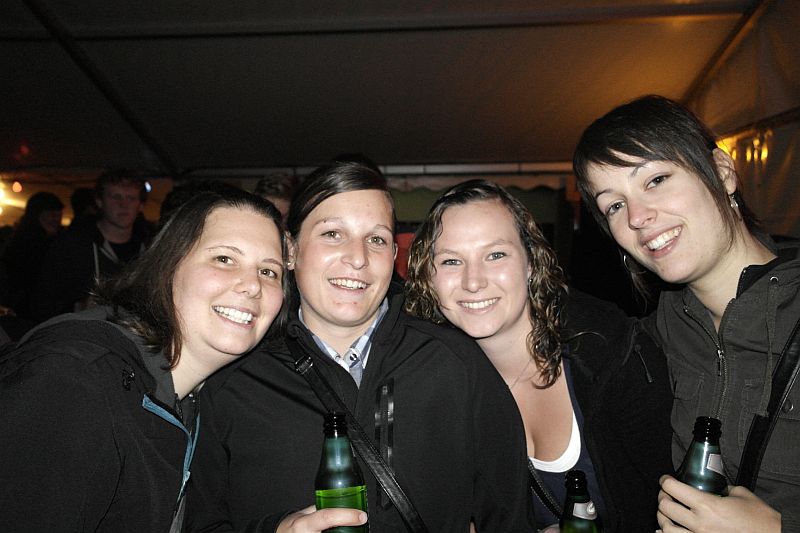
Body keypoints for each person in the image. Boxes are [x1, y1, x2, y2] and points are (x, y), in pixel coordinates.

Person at [187, 162, 535, 532]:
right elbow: (198, 523)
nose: (358, 258)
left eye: (376, 239)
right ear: (291, 249)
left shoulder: (456, 364)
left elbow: (510, 519)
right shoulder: (232, 383)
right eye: (333, 234)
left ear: (394, 255)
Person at [0, 188, 286, 532]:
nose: (253, 285)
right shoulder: (74, 382)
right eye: (224, 259)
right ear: (169, 265)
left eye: (269, 272)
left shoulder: (189, 397)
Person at [573, 95, 794, 532]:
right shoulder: (653, 339)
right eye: (614, 205)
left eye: (656, 180)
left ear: (722, 171)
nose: (637, 217)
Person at [404, 179, 673, 532]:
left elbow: (675, 499)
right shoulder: (435, 385)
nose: (473, 281)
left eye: (495, 255)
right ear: (429, 276)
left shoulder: (613, 355)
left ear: (531, 261)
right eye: (452, 261)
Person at [31, 169, 153, 321]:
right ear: (99, 201)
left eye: (131, 198)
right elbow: (42, 302)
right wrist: (78, 307)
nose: (123, 204)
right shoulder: (71, 247)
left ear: (141, 205)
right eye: (115, 197)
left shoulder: (150, 249)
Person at [0, 191, 64, 323]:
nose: (56, 220)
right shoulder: (27, 244)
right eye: (52, 214)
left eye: (59, 215)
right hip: (28, 312)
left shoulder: (56, 242)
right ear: (37, 215)